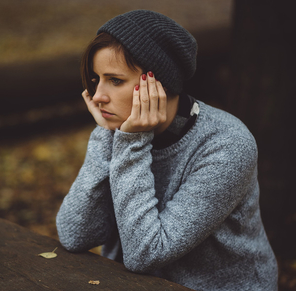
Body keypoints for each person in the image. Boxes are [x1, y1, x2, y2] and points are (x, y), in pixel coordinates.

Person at [56, 10, 278, 291]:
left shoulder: (226, 145)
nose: (98, 96)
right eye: (95, 79)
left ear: (158, 83)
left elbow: (145, 254)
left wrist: (129, 141)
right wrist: (107, 134)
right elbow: (74, 235)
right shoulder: (120, 133)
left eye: (115, 80)